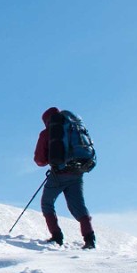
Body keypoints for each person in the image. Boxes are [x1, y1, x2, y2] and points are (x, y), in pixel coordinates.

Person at [34, 107, 97, 249]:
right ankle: (90, 239)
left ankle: (56, 237)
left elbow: (39, 160)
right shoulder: (74, 127)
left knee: (47, 203)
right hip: (78, 171)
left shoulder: (47, 133)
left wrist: (52, 159)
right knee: (78, 206)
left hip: (58, 174)